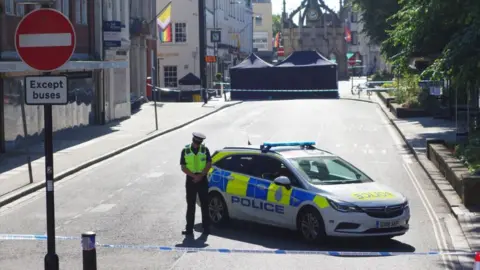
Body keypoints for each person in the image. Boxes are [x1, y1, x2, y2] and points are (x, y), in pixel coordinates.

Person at [180, 132, 212, 235]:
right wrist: (195, 176)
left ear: (201, 142)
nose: (196, 145)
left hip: (202, 179)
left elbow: (209, 163)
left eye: (198, 143)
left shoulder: (205, 150)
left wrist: (201, 175)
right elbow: (183, 167)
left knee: (204, 204)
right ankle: (189, 229)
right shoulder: (185, 150)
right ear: (193, 140)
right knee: (191, 205)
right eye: (195, 142)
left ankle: (206, 228)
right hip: (191, 180)